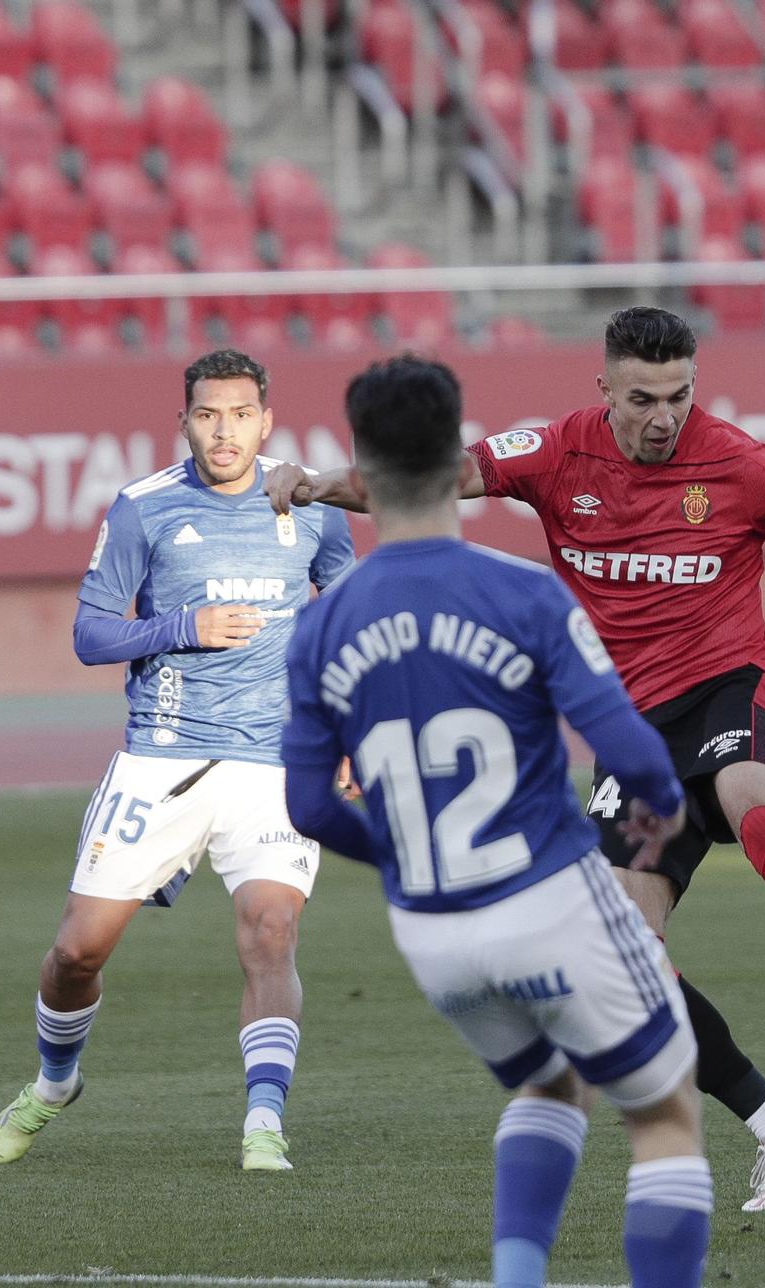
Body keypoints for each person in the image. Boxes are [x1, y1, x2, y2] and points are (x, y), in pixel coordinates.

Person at [267, 306, 765, 1205]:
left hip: (727, 686)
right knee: (634, 963)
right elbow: (427, 478)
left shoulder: (745, 465)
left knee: (754, 794)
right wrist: (320, 484)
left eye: (677, 396)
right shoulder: (559, 452)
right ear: (604, 388)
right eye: (641, 398)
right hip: (629, 735)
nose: (661, 416)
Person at [281, 355, 710, 1288]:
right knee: (666, 1112)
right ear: (455, 453)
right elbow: (633, 756)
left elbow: (310, 807)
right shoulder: (523, 594)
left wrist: (404, 857)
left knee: (548, 1083)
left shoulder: (319, 627)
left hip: (435, 933)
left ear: (360, 467)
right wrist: (664, 812)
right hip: (548, 894)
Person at [0, 349, 354, 1173]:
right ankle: (53, 1082)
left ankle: (263, 1123)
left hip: (275, 762)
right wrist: (182, 625)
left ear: (267, 418)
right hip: (164, 756)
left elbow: (354, 619)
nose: (225, 431)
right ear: (182, 420)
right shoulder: (144, 509)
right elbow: (90, 633)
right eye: (208, 414)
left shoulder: (315, 507)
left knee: (272, 930)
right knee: (79, 951)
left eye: (242, 414)